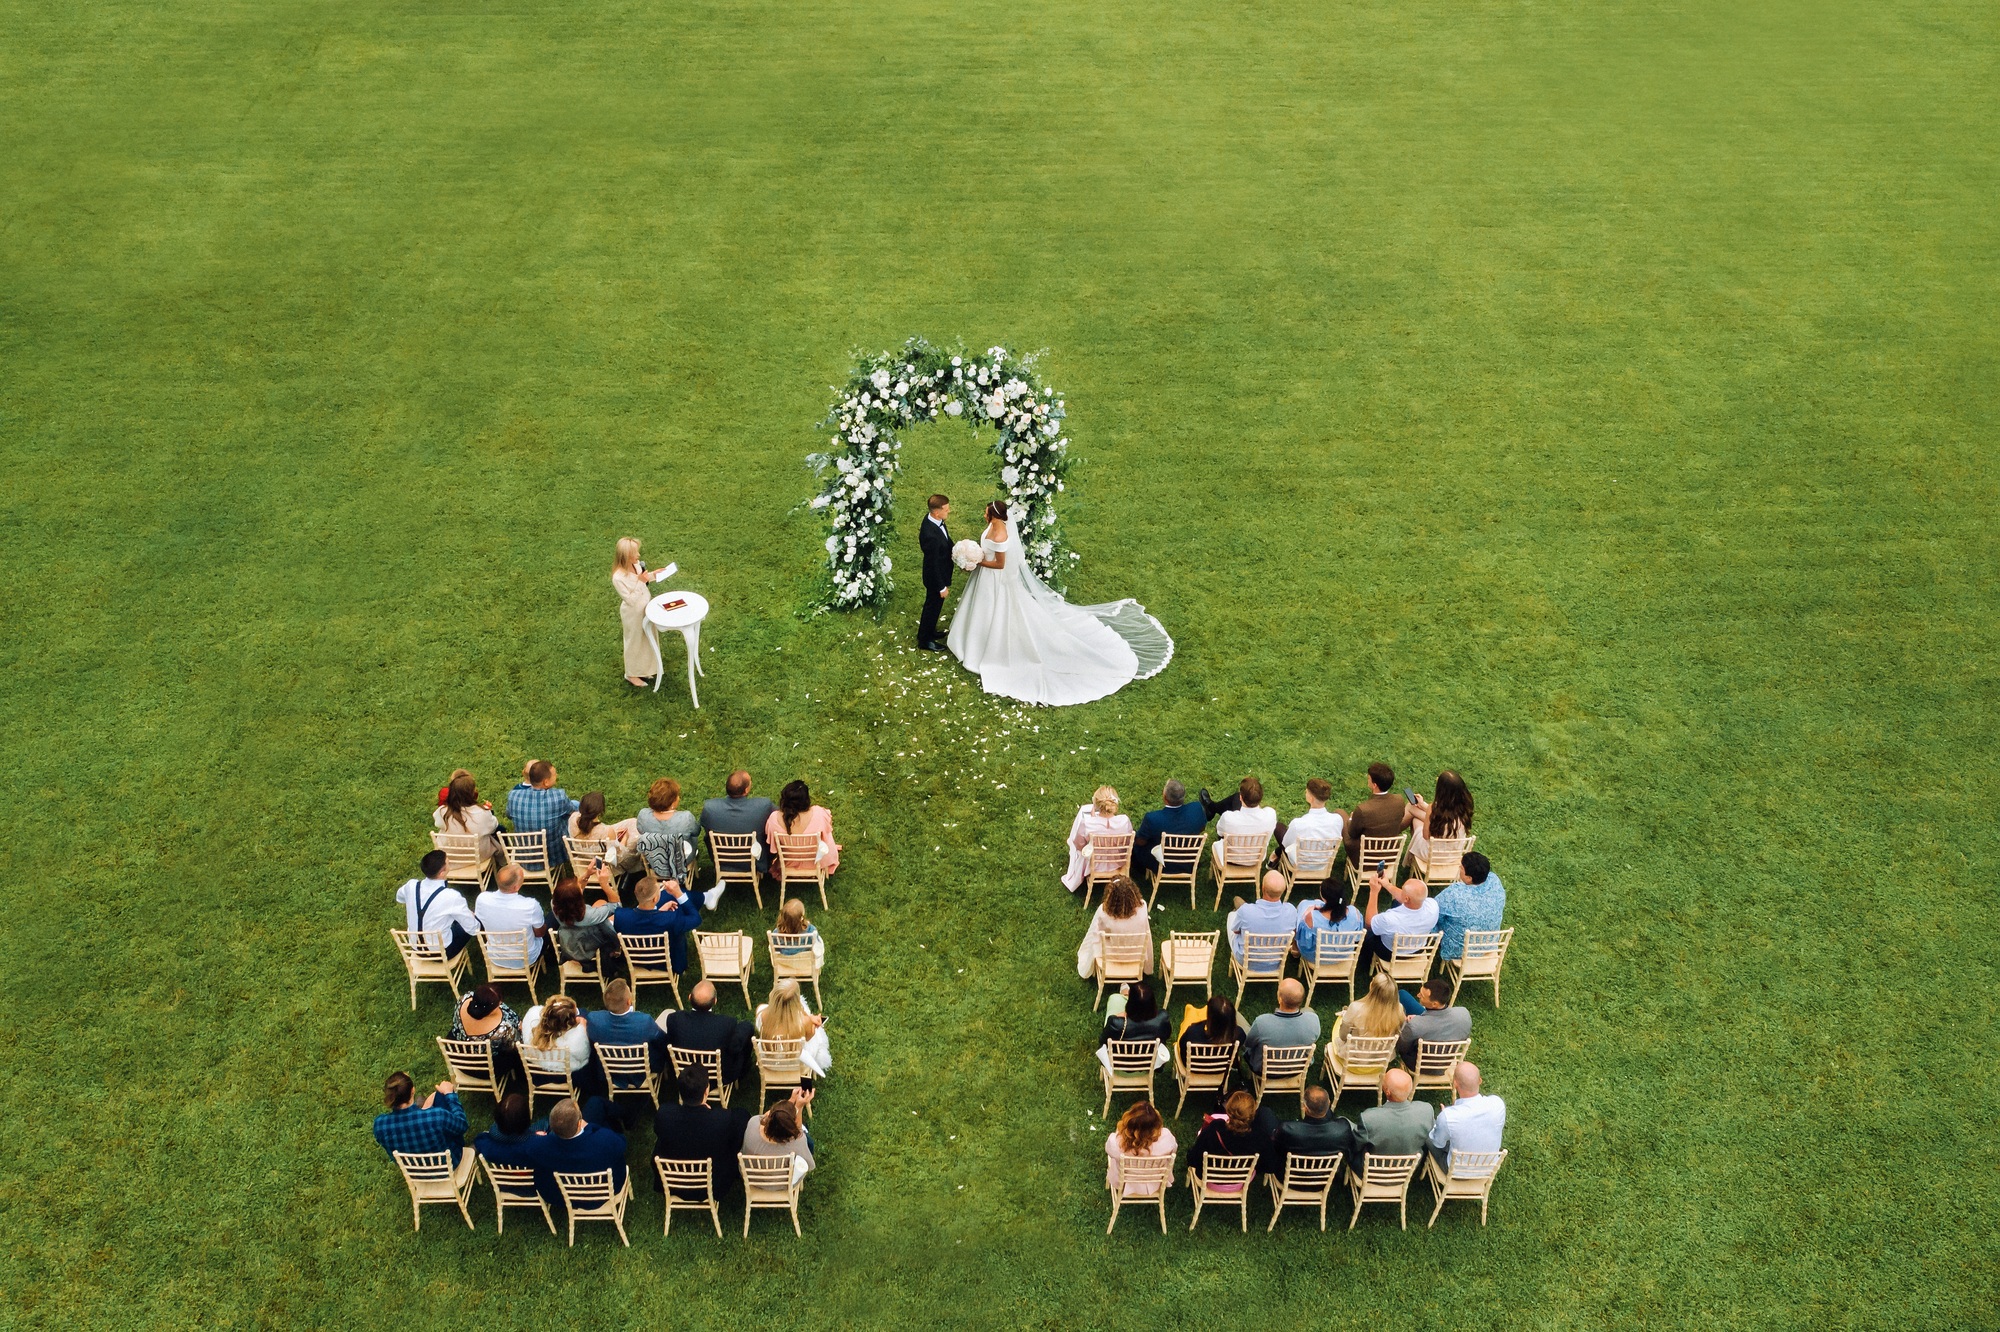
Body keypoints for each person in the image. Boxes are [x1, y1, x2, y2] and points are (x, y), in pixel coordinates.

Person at [945, 499, 1173, 706]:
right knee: (981, 610)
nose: (984, 515)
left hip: (995, 578)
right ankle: (971, 642)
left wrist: (976, 563)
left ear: (994, 515)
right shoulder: (993, 527)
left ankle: (986, 650)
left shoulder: (1002, 537)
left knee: (995, 612)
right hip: (985, 580)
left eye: (986, 513)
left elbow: (1001, 565)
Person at [654, 1065, 753, 1197]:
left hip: (671, 1182)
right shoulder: (723, 1119)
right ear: (706, 1091)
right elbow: (743, 1119)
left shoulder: (664, 1113)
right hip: (713, 1184)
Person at [528, 1096, 628, 1204]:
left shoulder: (541, 1147)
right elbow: (622, 1143)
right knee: (596, 1105)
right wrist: (590, 1126)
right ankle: (624, 1116)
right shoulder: (604, 1140)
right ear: (580, 1123)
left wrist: (538, 1136)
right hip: (606, 1193)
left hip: (565, 1197)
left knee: (596, 1106)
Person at [660, 980, 754, 1086]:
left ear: (689, 997)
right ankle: (744, 1071)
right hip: (718, 1079)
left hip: (685, 1074)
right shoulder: (726, 1023)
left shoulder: (674, 1019)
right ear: (715, 1001)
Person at [613, 536, 675, 687]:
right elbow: (631, 599)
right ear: (626, 556)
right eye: (635, 553)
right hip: (633, 613)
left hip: (646, 607)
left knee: (647, 638)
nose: (638, 555)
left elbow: (643, 580)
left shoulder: (635, 566)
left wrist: (655, 574)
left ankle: (645, 669)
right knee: (634, 642)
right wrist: (641, 582)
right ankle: (631, 674)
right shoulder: (618, 577)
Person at [395, 849, 480, 959]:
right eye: (448, 862)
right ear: (442, 873)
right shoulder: (451, 896)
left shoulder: (411, 886)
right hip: (443, 952)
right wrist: (473, 918)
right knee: (472, 920)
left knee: (452, 916)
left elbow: (400, 897)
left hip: (416, 949)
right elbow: (473, 929)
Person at [611, 874, 702, 975]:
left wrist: (659, 911)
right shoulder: (671, 919)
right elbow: (696, 919)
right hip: (669, 964)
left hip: (635, 961)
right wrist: (679, 894)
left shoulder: (620, 916)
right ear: (655, 899)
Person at [1352, 1069, 1436, 1176]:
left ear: (1387, 1092)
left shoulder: (1369, 1118)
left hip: (1371, 1171)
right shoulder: (1426, 1111)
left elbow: (1356, 1145)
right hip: (1406, 1170)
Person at [1264, 1084, 1360, 1177]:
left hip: (1288, 1177)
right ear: (1329, 1103)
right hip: (1324, 1178)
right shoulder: (1342, 1129)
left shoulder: (1287, 1129)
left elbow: (1276, 1148)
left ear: (1305, 1108)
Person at [1187, 1090, 1277, 1186]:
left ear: (1228, 1110)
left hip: (1209, 1179)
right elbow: (1270, 1166)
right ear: (1252, 1114)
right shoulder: (1260, 1137)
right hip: (1240, 1181)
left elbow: (1193, 1159)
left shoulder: (1214, 1129)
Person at [1428, 1061, 1505, 1173]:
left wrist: (1443, 1120)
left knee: (1427, 1131)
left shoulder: (1448, 1117)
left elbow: (1438, 1143)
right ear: (1480, 1080)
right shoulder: (1498, 1104)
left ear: (1455, 1084)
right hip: (1487, 1168)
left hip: (1456, 1171)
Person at [1359, 869, 1440, 975]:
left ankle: (1365, 960)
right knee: (1396, 902)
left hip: (1390, 952)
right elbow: (1408, 899)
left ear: (1406, 899)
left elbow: (1369, 923)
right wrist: (1387, 885)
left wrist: (1374, 892)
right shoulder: (1433, 906)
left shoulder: (1390, 919)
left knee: (1368, 933)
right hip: (1418, 948)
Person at [372, 1071, 466, 1161]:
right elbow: (462, 1125)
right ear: (413, 1090)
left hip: (415, 1172)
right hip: (448, 1165)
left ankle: (422, 1107)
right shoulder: (436, 1116)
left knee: (435, 1099)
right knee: (441, 1097)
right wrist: (450, 1094)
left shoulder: (380, 1125)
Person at [699, 770, 778, 875]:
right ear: (746, 790)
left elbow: (704, 828)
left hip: (722, 861)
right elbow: (780, 818)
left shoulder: (710, 808)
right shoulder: (763, 806)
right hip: (754, 861)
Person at [1075, 874, 1153, 979]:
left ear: (1110, 896)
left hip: (1113, 954)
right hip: (1136, 953)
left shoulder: (1104, 913)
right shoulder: (1143, 907)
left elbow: (1097, 932)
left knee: (1097, 939)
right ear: (1134, 892)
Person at [506, 760, 578, 871]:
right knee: (576, 806)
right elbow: (572, 812)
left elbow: (509, 815)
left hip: (523, 855)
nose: (557, 776)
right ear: (546, 782)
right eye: (554, 775)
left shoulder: (513, 795)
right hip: (552, 856)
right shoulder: (558, 796)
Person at [519, 995, 597, 1098]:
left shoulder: (532, 1015)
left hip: (537, 1069)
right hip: (564, 1073)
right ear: (570, 1021)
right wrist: (583, 1028)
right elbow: (584, 1057)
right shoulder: (577, 1038)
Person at [1131, 779, 1206, 885]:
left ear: (1165, 797)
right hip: (1189, 862)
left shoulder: (1153, 819)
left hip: (1162, 864)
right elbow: (1201, 828)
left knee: (1134, 845)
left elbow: (1140, 842)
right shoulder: (1196, 809)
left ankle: (1140, 870)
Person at [587, 979, 667, 1077]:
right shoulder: (644, 1021)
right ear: (629, 1002)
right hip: (643, 1072)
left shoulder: (594, 1020)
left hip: (609, 1071)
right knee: (667, 1013)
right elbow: (662, 1041)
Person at [764, 780, 840, 882]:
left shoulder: (774, 819)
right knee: (826, 832)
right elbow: (827, 833)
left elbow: (773, 847)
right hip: (815, 861)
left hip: (788, 862)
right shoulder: (819, 814)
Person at [1434, 851, 1506, 961]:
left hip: (1459, 949)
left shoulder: (1455, 894)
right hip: (1487, 944)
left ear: (1469, 878)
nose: (1459, 867)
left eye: (1461, 868)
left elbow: (1434, 911)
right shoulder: (1495, 881)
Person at [1061, 786, 1135, 892]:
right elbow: (1127, 845)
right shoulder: (1124, 821)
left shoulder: (1087, 823)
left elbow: (1078, 845)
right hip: (1117, 862)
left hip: (1093, 864)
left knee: (1078, 851)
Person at [1242, 978, 1321, 1073]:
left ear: (1280, 999)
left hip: (1264, 1070)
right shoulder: (1313, 1020)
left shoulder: (1262, 1022)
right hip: (1298, 1068)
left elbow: (1248, 1043)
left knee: (1237, 1018)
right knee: (1309, 1010)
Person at [474, 864, 547, 965]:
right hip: (526, 959)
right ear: (516, 887)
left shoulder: (482, 899)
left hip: (495, 957)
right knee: (549, 921)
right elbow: (540, 933)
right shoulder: (530, 905)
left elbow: (480, 922)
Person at [756, 978, 831, 1077]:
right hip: (796, 1064)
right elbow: (808, 1038)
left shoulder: (761, 1012)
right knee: (817, 1035)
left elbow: (759, 1029)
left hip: (769, 1063)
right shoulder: (804, 1021)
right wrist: (812, 1023)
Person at [1404, 768, 1474, 870]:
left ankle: (1392, 833)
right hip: (1453, 855)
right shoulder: (1465, 808)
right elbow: (1442, 816)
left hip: (1432, 855)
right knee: (1413, 808)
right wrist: (1423, 805)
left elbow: (1426, 836)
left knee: (1416, 820)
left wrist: (1428, 811)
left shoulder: (1434, 809)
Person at [1331, 971, 1407, 1063]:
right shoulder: (1399, 1009)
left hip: (1353, 1059)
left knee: (1340, 1022)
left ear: (1372, 987)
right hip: (1380, 1060)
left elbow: (1343, 1036)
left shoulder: (1355, 1008)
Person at [566, 792, 635, 896]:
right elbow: (617, 858)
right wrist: (623, 839)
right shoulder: (606, 831)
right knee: (633, 835)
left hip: (582, 859)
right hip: (603, 866)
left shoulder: (572, 819)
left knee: (631, 822)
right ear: (600, 811)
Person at [1105, 1100, 1177, 1196]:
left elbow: (1109, 1151)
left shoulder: (1116, 1142)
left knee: (1114, 1160)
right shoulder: (1167, 1137)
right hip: (1155, 1181)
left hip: (1125, 1181)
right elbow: (1174, 1150)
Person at [1227, 869, 1300, 962]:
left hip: (1246, 961)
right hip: (1275, 962)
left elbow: (1236, 931)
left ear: (1263, 888)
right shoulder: (1291, 911)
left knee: (1232, 915)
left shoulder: (1245, 911)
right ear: (1283, 891)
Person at [1343, 762, 1409, 864]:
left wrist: (1351, 819)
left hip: (1365, 860)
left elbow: (1352, 833)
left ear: (1374, 785)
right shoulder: (1399, 800)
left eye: (1368, 778)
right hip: (1390, 856)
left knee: (1341, 814)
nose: (1367, 779)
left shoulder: (1363, 810)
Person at [1398, 975, 1473, 1062]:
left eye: (1422, 996)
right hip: (1447, 1060)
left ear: (1434, 1004)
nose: (1418, 995)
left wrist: (1408, 1022)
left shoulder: (1414, 1025)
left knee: (1402, 995)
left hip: (1419, 1063)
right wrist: (1419, 1018)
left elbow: (1402, 1047)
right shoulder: (1464, 1014)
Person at [549, 878, 619, 969]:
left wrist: (587, 874)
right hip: (588, 949)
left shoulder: (555, 905)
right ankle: (615, 950)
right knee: (608, 913)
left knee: (600, 903)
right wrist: (605, 885)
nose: (581, 888)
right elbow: (616, 906)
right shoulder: (589, 916)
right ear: (577, 900)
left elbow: (573, 892)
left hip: (569, 944)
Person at [741, 1093, 816, 1178]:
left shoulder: (753, 1122)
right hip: (782, 1184)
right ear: (789, 1129)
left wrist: (791, 1100)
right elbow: (808, 1166)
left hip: (751, 1178)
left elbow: (765, 1117)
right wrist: (799, 1107)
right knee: (807, 1139)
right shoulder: (796, 1143)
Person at [433, 772, 500, 865]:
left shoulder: (442, 811)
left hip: (451, 859)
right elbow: (494, 826)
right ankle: (501, 862)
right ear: (473, 793)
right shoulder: (482, 813)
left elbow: (437, 823)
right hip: (478, 858)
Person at [917, 493, 954, 651]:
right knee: (931, 607)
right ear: (936, 512)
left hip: (940, 572)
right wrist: (941, 587)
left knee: (935, 607)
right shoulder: (930, 535)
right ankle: (925, 640)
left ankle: (930, 631)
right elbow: (933, 564)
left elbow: (946, 541)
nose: (949, 511)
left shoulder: (936, 520)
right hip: (935, 578)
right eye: (946, 509)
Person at [1210, 777, 1279, 862]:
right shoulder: (1270, 815)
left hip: (1229, 859)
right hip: (1256, 860)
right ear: (1261, 797)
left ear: (1241, 798)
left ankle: (1212, 808)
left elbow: (1219, 831)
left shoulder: (1228, 818)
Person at [1281, 777, 1345, 863]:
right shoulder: (1337, 820)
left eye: (1306, 792)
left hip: (1301, 864)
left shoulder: (1298, 824)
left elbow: (1286, 844)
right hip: (1324, 864)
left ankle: (1274, 860)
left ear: (1311, 798)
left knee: (1279, 828)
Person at [1294, 886, 1364, 963]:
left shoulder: (1312, 917)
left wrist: (1307, 913)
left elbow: (1305, 943)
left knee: (1303, 905)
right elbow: (1357, 938)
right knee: (1316, 903)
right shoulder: (1355, 913)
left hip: (1316, 957)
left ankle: (1295, 950)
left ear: (1324, 898)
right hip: (1343, 955)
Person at [471, 1092, 539, 1169]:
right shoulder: (534, 1144)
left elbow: (477, 1144)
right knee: (545, 1123)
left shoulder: (486, 1143)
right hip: (528, 1172)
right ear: (525, 1120)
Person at [1100, 980, 1173, 1048]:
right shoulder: (1162, 1018)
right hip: (1150, 1059)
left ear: (1130, 1003)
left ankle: (1125, 995)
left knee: (1114, 999)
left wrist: (1118, 1016)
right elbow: (1166, 1036)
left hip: (1120, 1059)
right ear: (1152, 1002)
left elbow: (1103, 1041)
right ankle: (1125, 994)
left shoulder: (1116, 1023)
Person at [449, 983, 522, 1049]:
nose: (501, 1004)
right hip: (486, 1058)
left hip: (458, 1046)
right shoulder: (502, 1029)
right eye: (499, 1004)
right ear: (489, 1010)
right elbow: (513, 1046)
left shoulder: (463, 1000)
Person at [1177, 994, 1245, 1064]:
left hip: (1192, 1069)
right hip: (1220, 1069)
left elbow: (1182, 1048)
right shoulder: (1239, 1034)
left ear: (1210, 1018)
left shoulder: (1192, 1032)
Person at [772, 898, 825, 967]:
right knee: (819, 940)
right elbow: (815, 944)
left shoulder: (776, 933)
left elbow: (775, 948)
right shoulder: (810, 930)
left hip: (785, 962)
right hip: (804, 961)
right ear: (801, 918)